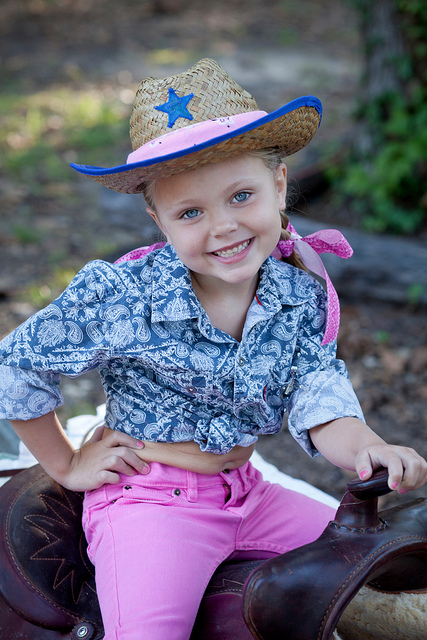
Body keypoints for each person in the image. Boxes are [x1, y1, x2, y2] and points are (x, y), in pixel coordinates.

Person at [0, 58, 425, 640]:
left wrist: (368, 448)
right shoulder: (126, 295)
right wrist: (67, 464)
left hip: (250, 495)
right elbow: (18, 366)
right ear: (158, 218)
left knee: (373, 570)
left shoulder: (296, 290)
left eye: (241, 195)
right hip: (153, 506)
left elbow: (317, 393)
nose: (222, 227)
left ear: (279, 186)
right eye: (191, 212)